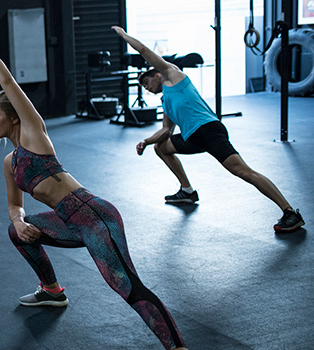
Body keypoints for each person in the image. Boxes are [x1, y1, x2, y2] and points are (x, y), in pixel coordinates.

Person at [0, 31, 203, 350]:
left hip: (95, 218)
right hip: (68, 222)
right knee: (15, 232)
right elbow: (14, 206)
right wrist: (18, 221)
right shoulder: (10, 162)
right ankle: (51, 290)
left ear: (13, 117)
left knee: (125, 285)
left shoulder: (34, 135)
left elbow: (7, 81)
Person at [112, 26, 304, 233]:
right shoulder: (166, 101)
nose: (146, 88)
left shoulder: (172, 75)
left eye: (146, 82)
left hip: (208, 131)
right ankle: (187, 191)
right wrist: (146, 141)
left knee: (243, 171)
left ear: (157, 74)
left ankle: (290, 212)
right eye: (143, 87)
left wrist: (123, 36)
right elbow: (166, 131)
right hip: (193, 137)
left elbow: (145, 52)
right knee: (161, 147)